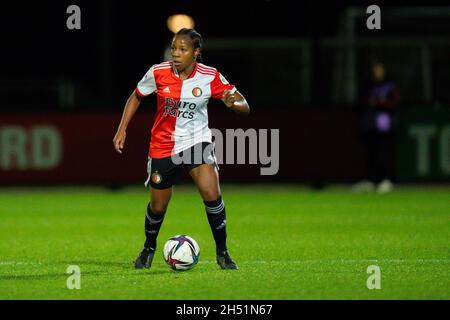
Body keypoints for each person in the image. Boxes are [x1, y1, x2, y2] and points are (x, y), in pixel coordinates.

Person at [112, 28, 250, 270]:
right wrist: (122, 128)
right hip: (163, 145)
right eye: (174, 48)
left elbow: (244, 105)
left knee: (211, 193)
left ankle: (223, 253)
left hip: (197, 141)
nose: (176, 53)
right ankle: (148, 248)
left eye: (182, 49)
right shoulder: (158, 72)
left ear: (195, 53)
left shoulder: (210, 76)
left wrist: (234, 103)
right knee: (158, 206)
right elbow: (136, 96)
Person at [353, 61, 400, 193]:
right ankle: (370, 180)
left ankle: (385, 180)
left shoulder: (389, 85)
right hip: (369, 121)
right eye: (375, 70)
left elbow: (394, 103)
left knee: (382, 150)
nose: (377, 73)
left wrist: (380, 103)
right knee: (370, 151)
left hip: (383, 121)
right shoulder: (368, 85)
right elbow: (361, 102)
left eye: (379, 70)